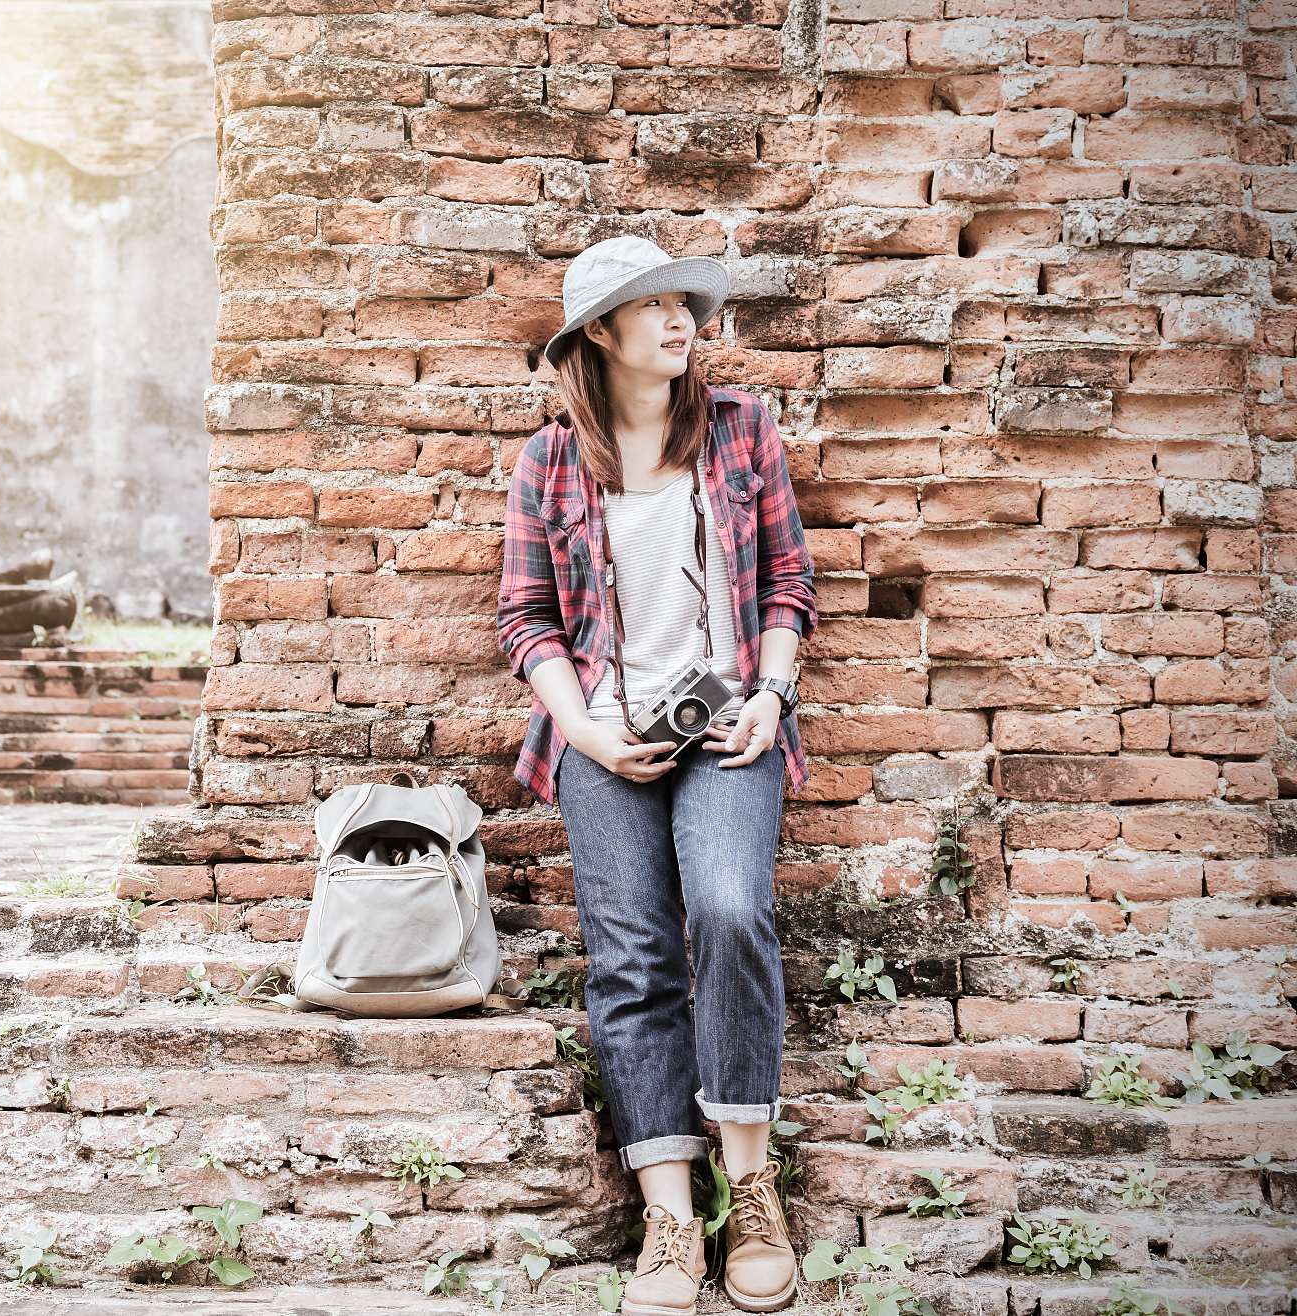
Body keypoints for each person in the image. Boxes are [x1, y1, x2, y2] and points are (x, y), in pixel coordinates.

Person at [497, 236, 819, 1316]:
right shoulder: (548, 461)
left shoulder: (740, 431)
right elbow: (525, 617)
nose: (680, 320)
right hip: (601, 736)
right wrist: (581, 730)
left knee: (728, 910)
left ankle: (752, 1184)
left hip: (729, 726)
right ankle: (670, 1217)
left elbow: (784, 582)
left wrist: (770, 697)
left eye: (685, 303)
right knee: (631, 959)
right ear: (599, 332)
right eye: (652, 306)